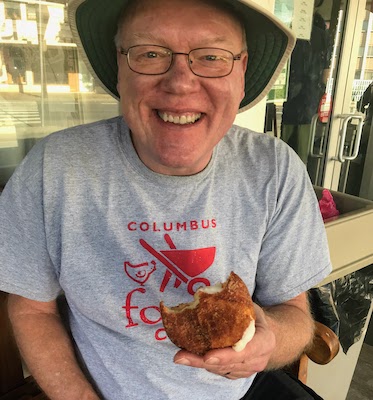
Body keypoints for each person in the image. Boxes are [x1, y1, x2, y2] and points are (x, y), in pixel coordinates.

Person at [0, 0, 332, 399]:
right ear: (120, 68)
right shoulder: (55, 168)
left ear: (242, 72)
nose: (180, 83)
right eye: (151, 54)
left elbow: (295, 314)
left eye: (211, 56)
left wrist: (270, 340)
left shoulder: (275, 169)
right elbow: (32, 308)